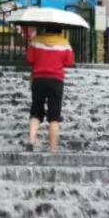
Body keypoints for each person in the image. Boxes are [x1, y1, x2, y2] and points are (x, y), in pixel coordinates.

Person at [26, 24, 75, 152]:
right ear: (60, 30)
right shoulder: (64, 43)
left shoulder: (36, 41)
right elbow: (70, 62)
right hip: (56, 81)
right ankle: (53, 149)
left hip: (39, 79)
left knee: (36, 110)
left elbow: (30, 59)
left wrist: (32, 40)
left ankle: (31, 140)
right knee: (54, 115)